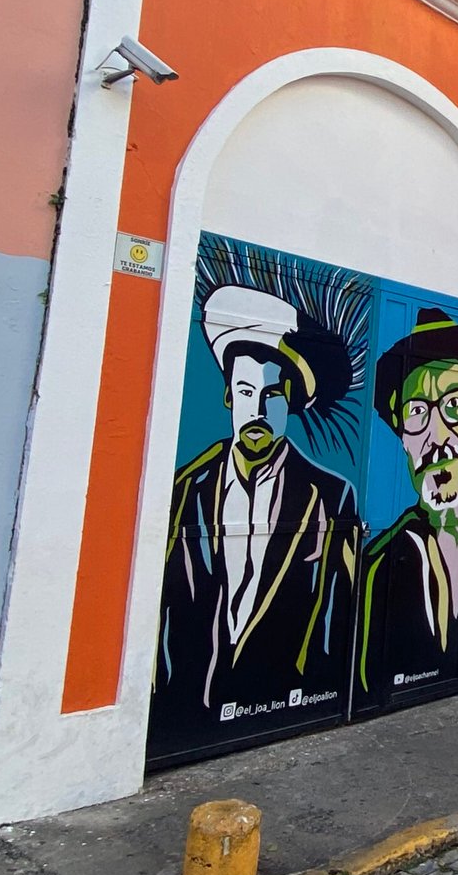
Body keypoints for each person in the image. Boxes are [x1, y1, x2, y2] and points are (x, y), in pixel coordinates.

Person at [151, 284, 360, 743]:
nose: (257, 411)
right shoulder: (185, 488)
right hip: (188, 711)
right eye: (246, 392)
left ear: (293, 403)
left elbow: (336, 620)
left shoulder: (330, 496)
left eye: (272, 396)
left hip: (284, 705)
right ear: (228, 395)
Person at [356, 307, 458, 702]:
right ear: (404, 442)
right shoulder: (378, 564)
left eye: (457, 405)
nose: (437, 434)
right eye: (417, 411)